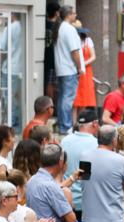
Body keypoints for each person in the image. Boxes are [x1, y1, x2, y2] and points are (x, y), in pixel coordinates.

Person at [54, 6, 84, 135]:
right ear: (69, 15)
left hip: (61, 68)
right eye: (74, 13)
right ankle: (66, 126)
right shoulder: (70, 29)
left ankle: (63, 124)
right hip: (69, 68)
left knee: (63, 98)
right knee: (68, 99)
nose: (76, 15)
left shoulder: (60, 28)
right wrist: (79, 67)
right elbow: (75, 51)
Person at [73, 27, 97, 114]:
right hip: (75, 70)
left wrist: (83, 64)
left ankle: (80, 120)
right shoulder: (73, 41)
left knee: (85, 97)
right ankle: (74, 122)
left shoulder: (88, 40)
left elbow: (93, 56)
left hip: (86, 71)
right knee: (75, 98)